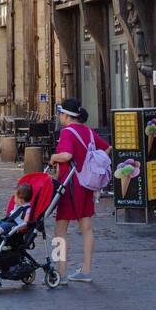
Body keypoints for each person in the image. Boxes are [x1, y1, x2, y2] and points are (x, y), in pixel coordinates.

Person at [49, 98, 110, 284]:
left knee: (60, 228)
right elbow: (107, 148)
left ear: (67, 115)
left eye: (60, 113)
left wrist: (53, 157)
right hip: (87, 184)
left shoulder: (67, 132)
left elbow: (66, 155)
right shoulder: (88, 131)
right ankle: (86, 269)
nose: (60, 116)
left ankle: (60, 273)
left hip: (69, 185)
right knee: (86, 227)